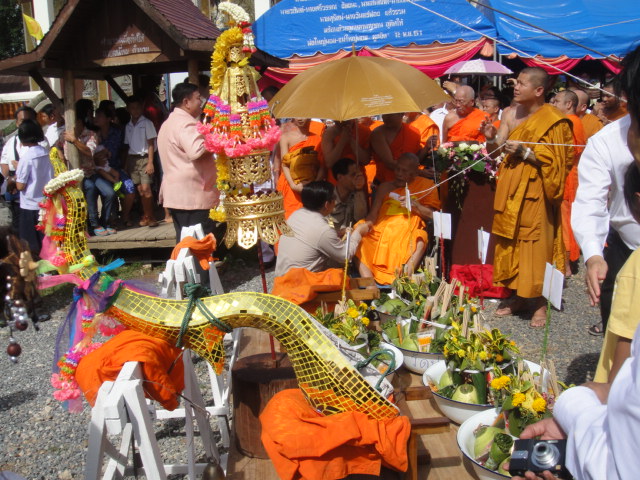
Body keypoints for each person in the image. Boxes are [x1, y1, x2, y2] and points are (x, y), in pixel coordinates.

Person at [481, 67, 573, 327]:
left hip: (537, 191)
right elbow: (497, 148)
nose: (515, 87)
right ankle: (518, 296)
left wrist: (527, 153)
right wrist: (490, 139)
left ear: (539, 90)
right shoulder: (510, 113)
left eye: (521, 83)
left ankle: (540, 303)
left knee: (536, 245)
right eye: (516, 83)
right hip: (510, 188)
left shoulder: (554, 120)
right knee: (511, 242)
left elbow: (561, 163)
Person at [571, 101, 639, 335]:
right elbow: (591, 200)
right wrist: (593, 254)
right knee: (621, 335)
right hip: (626, 248)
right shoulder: (609, 138)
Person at [356, 153, 441, 285]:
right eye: (397, 169)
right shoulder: (385, 187)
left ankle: (400, 283)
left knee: (420, 239)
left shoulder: (426, 185)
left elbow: (432, 215)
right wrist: (364, 226)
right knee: (358, 237)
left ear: (414, 173)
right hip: (380, 230)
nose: (399, 174)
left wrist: (415, 206)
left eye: (404, 171)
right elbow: (373, 214)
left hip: (407, 231)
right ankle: (369, 284)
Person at [157, 82, 218, 244]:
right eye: (198, 98)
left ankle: (192, 270)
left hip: (178, 193)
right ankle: (199, 271)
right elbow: (196, 150)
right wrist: (217, 139)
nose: (201, 101)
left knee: (185, 242)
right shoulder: (185, 123)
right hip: (191, 195)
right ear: (186, 102)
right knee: (198, 244)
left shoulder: (169, 122)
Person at [274, 181, 369, 278]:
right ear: (327, 204)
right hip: (300, 285)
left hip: (281, 279)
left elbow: (311, 236)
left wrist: (338, 233)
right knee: (338, 275)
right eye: (334, 198)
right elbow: (345, 256)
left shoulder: (296, 215)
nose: (336, 201)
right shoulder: (323, 230)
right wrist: (358, 232)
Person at [64, 99, 116, 237]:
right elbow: (55, 148)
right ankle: (94, 224)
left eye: (78, 123)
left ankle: (105, 223)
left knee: (110, 192)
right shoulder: (65, 135)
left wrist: (75, 141)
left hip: (91, 172)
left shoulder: (91, 134)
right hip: (76, 175)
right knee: (90, 188)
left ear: (81, 122)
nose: (76, 126)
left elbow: (89, 152)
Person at [550, 90, 587, 275]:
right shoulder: (569, 120)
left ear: (569, 104)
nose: (553, 104)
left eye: (557, 101)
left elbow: (573, 151)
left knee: (565, 220)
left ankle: (566, 264)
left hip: (567, 173)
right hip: (563, 171)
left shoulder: (572, 121)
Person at [14, 119, 53, 254]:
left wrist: (13, 177)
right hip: (46, 203)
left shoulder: (27, 157)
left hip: (30, 205)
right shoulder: (46, 152)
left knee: (31, 243)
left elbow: (20, 185)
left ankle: (38, 270)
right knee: (46, 240)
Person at [93, 106, 135, 227]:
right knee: (108, 192)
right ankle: (109, 219)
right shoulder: (92, 133)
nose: (96, 118)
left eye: (100, 116)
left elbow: (124, 149)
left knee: (130, 188)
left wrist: (124, 166)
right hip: (98, 171)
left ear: (108, 119)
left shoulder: (117, 132)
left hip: (116, 167)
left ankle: (125, 216)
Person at [1, 106, 42, 231]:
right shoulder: (10, 142)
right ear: (16, 123)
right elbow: (4, 162)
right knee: (15, 227)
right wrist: (8, 179)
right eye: (21, 121)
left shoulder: (40, 144)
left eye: (27, 121)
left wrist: (16, 179)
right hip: (12, 190)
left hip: (32, 193)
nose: (24, 125)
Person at [277, 118, 324, 218]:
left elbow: (322, 165)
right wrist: (293, 185)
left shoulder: (318, 139)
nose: (300, 118)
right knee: (289, 218)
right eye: (297, 115)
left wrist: (313, 186)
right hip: (290, 184)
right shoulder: (285, 137)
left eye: (304, 115)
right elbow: (284, 164)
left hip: (311, 186)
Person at [123, 95, 158, 227]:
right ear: (128, 109)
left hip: (144, 158)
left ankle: (151, 216)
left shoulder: (147, 123)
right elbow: (128, 146)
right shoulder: (128, 126)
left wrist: (150, 162)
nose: (135, 111)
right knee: (140, 190)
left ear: (141, 108)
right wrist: (126, 164)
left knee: (147, 189)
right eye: (132, 108)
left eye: (138, 108)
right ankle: (146, 215)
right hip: (133, 159)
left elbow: (151, 144)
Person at [369, 113, 421, 185]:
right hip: (385, 184)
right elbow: (389, 163)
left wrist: (427, 147)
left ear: (401, 114)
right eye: (384, 114)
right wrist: (419, 172)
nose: (386, 117)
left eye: (390, 114)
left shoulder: (414, 132)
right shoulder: (378, 133)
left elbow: (415, 158)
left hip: (408, 184)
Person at [330, 157, 368, 231]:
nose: (357, 178)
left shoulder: (358, 193)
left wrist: (359, 190)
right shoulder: (327, 198)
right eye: (353, 175)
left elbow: (361, 219)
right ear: (340, 177)